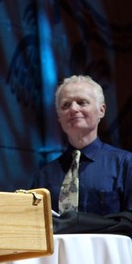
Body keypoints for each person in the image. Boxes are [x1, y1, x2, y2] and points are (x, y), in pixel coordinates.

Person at [32, 75, 132, 236]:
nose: (73, 109)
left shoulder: (126, 164)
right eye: (65, 105)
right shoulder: (45, 175)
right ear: (59, 117)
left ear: (102, 110)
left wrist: (79, 223)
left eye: (82, 102)